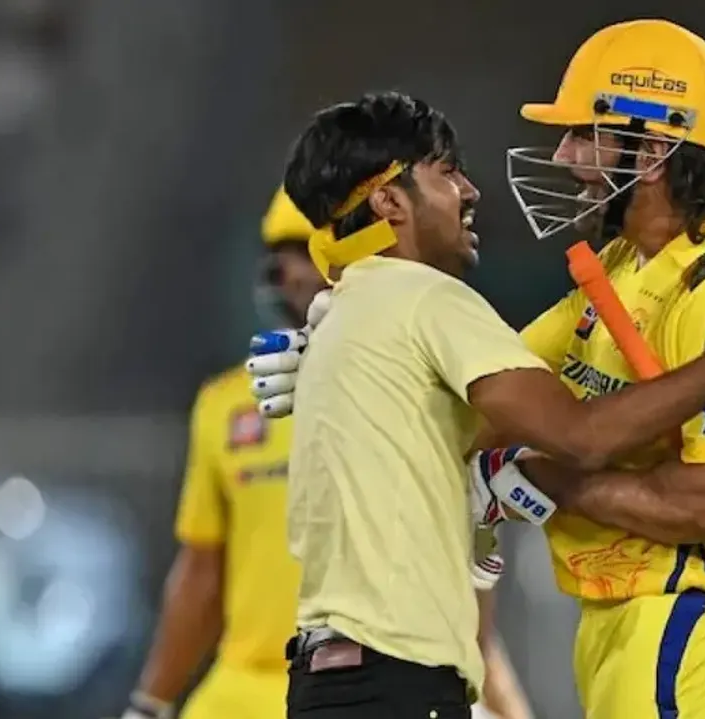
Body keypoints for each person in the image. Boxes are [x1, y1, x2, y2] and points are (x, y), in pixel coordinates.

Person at [262, 90, 705, 719]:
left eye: (584, 135)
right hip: (428, 668)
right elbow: (567, 429)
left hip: (688, 626)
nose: (564, 156)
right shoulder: (443, 298)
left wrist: (527, 471)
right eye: (448, 172)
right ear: (388, 201)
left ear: (653, 151)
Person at [118, 188, 533, 719]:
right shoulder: (226, 406)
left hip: (371, 682)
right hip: (246, 687)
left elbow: (469, 586)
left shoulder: (430, 395)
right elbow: (202, 573)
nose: (305, 270)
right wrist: (150, 703)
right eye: (291, 253)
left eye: (318, 249)